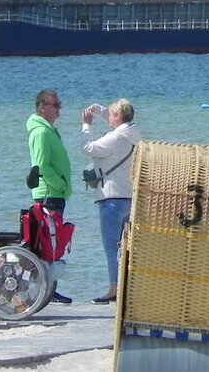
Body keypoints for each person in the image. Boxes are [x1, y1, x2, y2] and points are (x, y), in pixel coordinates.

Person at [80, 98, 141, 304]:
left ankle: (114, 288)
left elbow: (87, 147)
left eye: (111, 114)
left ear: (118, 116)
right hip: (129, 197)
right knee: (126, 246)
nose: (109, 117)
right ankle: (127, 286)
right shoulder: (133, 133)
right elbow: (117, 120)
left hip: (111, 197)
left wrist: (86, 126)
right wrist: (99, 110)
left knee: (111, 247)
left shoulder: (115, 138)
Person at [27, 88, 72, 304]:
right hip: (48, 194)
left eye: (59, 104)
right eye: (55, 105)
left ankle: (49, 287)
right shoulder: (41, 132)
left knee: (52, 243)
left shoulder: (48, 130)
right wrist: (61, 185)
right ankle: (46, 290)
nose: (59, 109)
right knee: (48, 242)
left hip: (55, 193)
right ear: (43, 107)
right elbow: (42, 166)